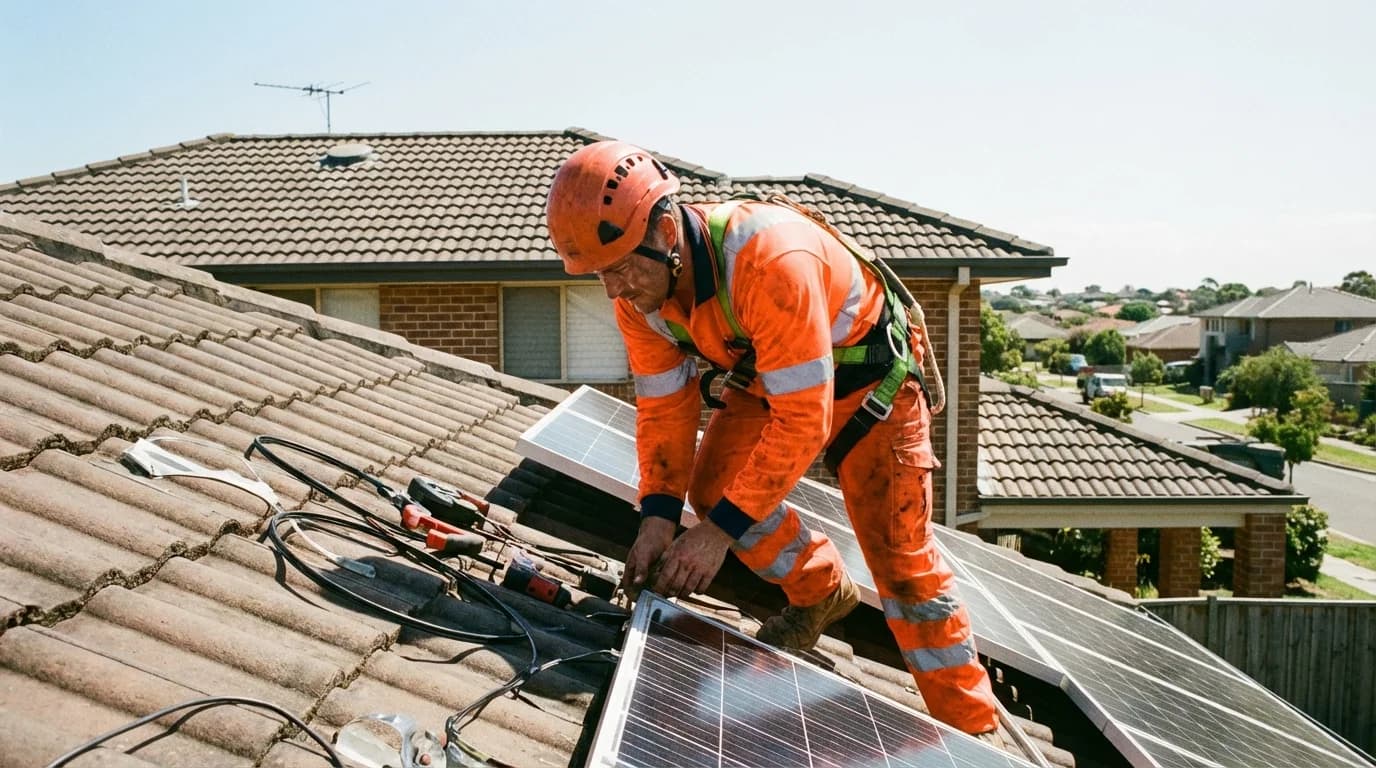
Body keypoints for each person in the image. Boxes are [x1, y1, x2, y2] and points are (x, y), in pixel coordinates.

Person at [545, 140, 1001, 739]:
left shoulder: (766, 258)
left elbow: (804, 421)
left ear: (664, 228)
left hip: (873, 393)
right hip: (776, 377)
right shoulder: (642, 296)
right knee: (713, 490)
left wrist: (714, 539)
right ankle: (820, 592)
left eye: (623, 266)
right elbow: (664, 410)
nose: (614, 290)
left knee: (904, 573)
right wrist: (657, 517)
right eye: (600, 274)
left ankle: (974, 732)